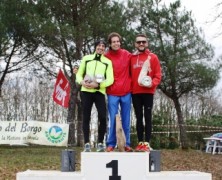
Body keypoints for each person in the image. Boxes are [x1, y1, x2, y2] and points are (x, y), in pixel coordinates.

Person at [76, 40, 114, 152]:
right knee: (86, 116)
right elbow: (79, 73)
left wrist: (98, 85)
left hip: (99, 92)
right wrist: (81, 82)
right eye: (99, 46)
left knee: (102, 116)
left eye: (103, 46)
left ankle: (100, 143)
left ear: (105, 49)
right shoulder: (86, 59)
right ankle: (87, 143)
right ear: (95, 47)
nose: (101, 48)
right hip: (86, 91)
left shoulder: (107, 62)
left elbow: (110, 79)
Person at [130, 34, 162, 152]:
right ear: (135, 44)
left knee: (147, 117)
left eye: (143, 42)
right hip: (135, 92)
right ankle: (140, 142)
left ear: (147, 43)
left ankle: (147, 143)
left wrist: (151, 84)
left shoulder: (153, 57)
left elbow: (158, 75)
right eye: (139, 42)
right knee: (138, 117)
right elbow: (127, 74)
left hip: (148, 92)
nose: (141, 44)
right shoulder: (131, 57)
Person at [105, 32, 133, 152]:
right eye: (113, 42)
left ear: (120, 42)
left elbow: (137, 61)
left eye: (118, 41)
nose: (116, 43)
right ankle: (111, 143)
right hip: (112, 93)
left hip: (127, 92)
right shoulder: (106, 57)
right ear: (110, 44)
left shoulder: (127, 54)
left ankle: (126, 143)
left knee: (126, 119)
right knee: (112, 118)